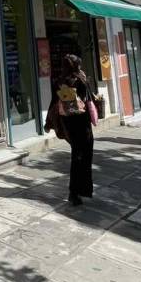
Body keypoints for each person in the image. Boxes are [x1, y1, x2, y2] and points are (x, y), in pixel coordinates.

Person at [46, 54, 93, 207]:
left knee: (76, 154)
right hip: (81, 121)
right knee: (83, 155)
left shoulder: (59, 81)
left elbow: (53, 102)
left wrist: (48, 122)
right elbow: (88, 98)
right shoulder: (79, 79)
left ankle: (76, 191)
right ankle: (76, 191)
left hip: (68, 122)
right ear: (76, 66)